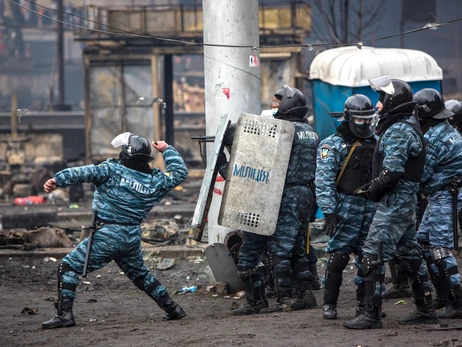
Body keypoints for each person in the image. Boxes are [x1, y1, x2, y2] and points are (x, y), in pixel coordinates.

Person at [41, 133, 189, 329]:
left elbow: (82, 172)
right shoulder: (155, 181)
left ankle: (64, 315)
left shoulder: (111, 170)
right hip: (131, 236)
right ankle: (173, 309)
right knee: (140, 275)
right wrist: (167, 149)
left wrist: (57, 180)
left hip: (107, 234)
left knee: (68, 267)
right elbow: (179, 172)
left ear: (125, 153)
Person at [343, 77, 438, 329]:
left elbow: (392, 172)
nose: (377, 104)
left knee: (372, 254)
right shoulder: (406, 125)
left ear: (393, 100)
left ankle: (371, 315)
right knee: (410, 254)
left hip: (395, 202)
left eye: (381, 99)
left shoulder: (398, 130)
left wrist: (373, 189)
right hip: (405, 201)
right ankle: (426, 308)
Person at [233, 85, 320, 315]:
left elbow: (260, 161)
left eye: (278, 102)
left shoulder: (285, 131)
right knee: (295, 248)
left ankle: (284, 298)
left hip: (282, 194)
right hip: (302, 194)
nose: (275, 106)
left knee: (279, 249)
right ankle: (299, 294)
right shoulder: (310, 131)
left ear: (288, 104)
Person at [315, 94, 378, 319]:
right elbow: (324, 180)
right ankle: (329, 304)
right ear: (349, 118)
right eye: (359, 120)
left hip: (371, 206)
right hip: (346, 206)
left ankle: (366, 305)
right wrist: (329, 212)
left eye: (367, 119)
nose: (365, 124)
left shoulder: (377, 142)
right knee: (338, 255)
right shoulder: (332, 144)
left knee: (369, 257)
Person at [414, 88, 462, 319]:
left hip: (445, 196)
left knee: (440, 249)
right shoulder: (447, 131)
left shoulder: (434, 138)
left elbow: (421, 174)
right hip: (442, 196)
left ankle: (457, 301)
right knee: (423, 243)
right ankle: (443, 296)